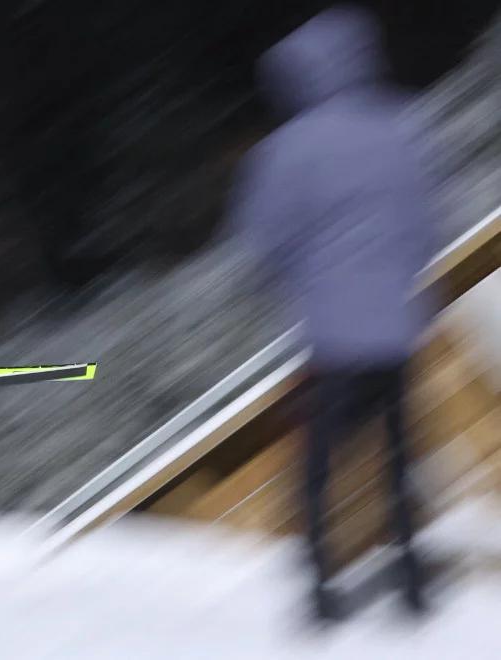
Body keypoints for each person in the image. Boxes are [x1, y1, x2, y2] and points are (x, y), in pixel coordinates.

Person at [230, 5, 437, 621]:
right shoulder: (400, 128)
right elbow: (428, 223)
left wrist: (294, 282)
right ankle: (411, 580)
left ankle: (321, 586)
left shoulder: (287, 151)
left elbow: (261, 240)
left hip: (331, 336)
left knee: (319, 463)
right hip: (396, 330)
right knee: (397, 454)